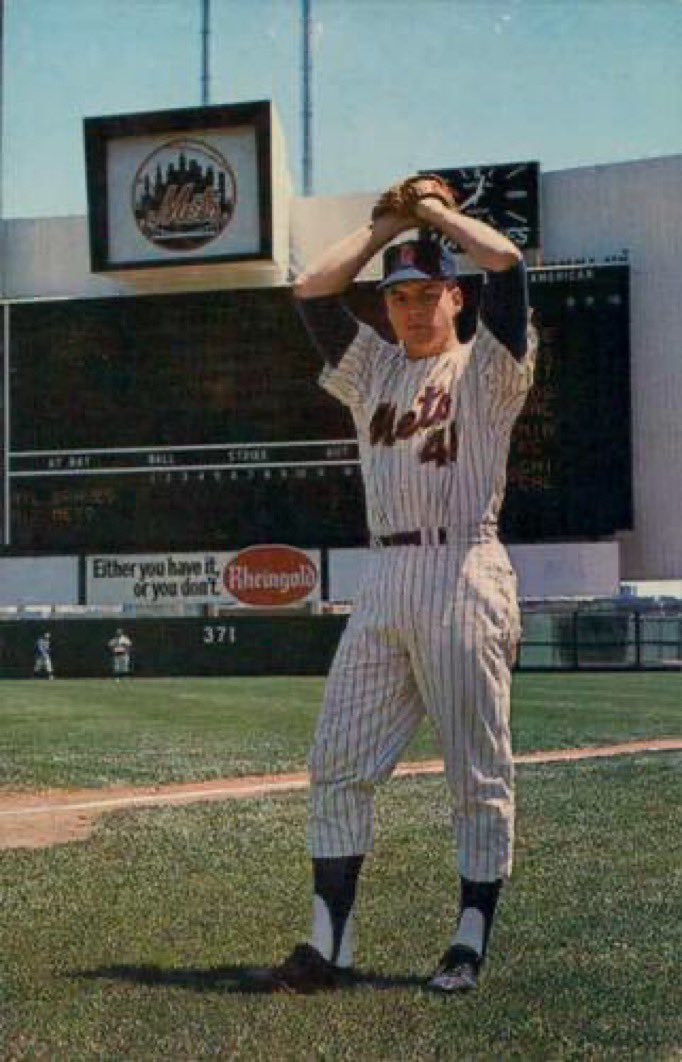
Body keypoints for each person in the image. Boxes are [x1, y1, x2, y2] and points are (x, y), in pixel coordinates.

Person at [263, 175, 536, 995]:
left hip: (463, 569)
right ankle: (327, 946)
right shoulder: (373, 368)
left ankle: (468, 936)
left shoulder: (487, 365)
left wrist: (438, 217)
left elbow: (511, 263)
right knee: (336, 762)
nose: (412, 309)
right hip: (384, 577)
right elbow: (311, 288)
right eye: (399, 297)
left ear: (455, 297)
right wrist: (384, 227)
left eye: (427, 294)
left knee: (473, 770)